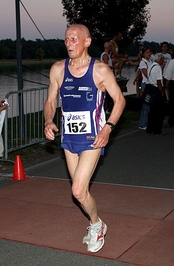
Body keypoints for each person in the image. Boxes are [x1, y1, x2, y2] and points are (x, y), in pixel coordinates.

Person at [44, 24, 125, 253]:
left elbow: (120, 100)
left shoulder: (100, 70)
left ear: (87, 42)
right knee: (82, 192)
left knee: (78, 191)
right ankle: (96, 223)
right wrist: (48, 121)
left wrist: (108, 128)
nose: (69, 43)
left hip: (93, 138)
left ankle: (96, 225)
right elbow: (50, 101)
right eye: (66, 39)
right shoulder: (58, 69)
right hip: (69, 139)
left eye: (74, 39)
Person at [146, 53, 166, 135]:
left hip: (151, 88)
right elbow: (159, 81)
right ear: (160, 59)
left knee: (152, 110)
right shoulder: (158, 68)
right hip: (156, 89)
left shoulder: (151, 66)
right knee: (159, 111)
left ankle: (150, 128)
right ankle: (157, 130)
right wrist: (162, 91)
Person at [135, 46, 152, 130]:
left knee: (150, 104)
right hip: (146, 85)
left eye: (149, 52)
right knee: (146, 104)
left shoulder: (150, 61)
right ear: (143, 54)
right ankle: (142, 124)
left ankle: (147, 122)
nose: (149, 54)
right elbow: (146, 74)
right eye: (147, 52)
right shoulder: (143, 63)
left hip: (151, 84)